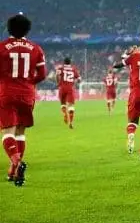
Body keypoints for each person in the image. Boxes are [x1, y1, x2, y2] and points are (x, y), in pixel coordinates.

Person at [0, 14, 47, 186]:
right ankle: (13, 171)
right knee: (20, 133)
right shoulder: (36, 48)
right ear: (28, 29)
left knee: (7, 132)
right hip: (27, 94)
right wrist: (27, 83)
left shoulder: (2, 47)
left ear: (9, 28)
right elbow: (42, 74)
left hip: (6, 93)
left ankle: (16, 162)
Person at [56, 57, 81, 129]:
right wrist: (75, 82)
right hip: (70, 88)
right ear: (70, 62)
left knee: (63, 104)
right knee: (71, 106)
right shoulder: (73, 69)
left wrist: (58, 82)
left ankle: (65, 114)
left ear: (64, 62)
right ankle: (71, 122)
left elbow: (57, 75)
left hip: (62, 88)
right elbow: (79, 79)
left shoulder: (61, 68)